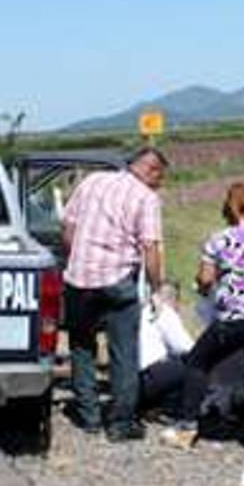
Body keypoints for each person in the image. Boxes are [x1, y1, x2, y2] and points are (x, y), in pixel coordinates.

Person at [161, 183, 244, 460]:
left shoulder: (219, 240)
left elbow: (206, 279)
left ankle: (186, 427)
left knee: (198, 361)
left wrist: (203, 284)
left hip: (235, 319)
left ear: (227, 210)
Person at [61, 146, 168, 442]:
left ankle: (89, 416)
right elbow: (150, 248)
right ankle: (120, 423)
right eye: (160, 178)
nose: (160, 184)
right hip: (117, 281)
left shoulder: (93, 181)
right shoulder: (147, 198)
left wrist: (75, 259)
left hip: (78, 280)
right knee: (123, 353)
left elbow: (68, 227)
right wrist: (158, 287)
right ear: (152, 170)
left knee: (81, 347)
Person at [138, 282, 195, 418]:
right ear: (174, 299)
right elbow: (186, 347)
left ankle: (156, 406)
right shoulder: (165, 312)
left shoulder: (142, 312)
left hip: (132, 380)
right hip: (150, 376)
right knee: (196, 364)